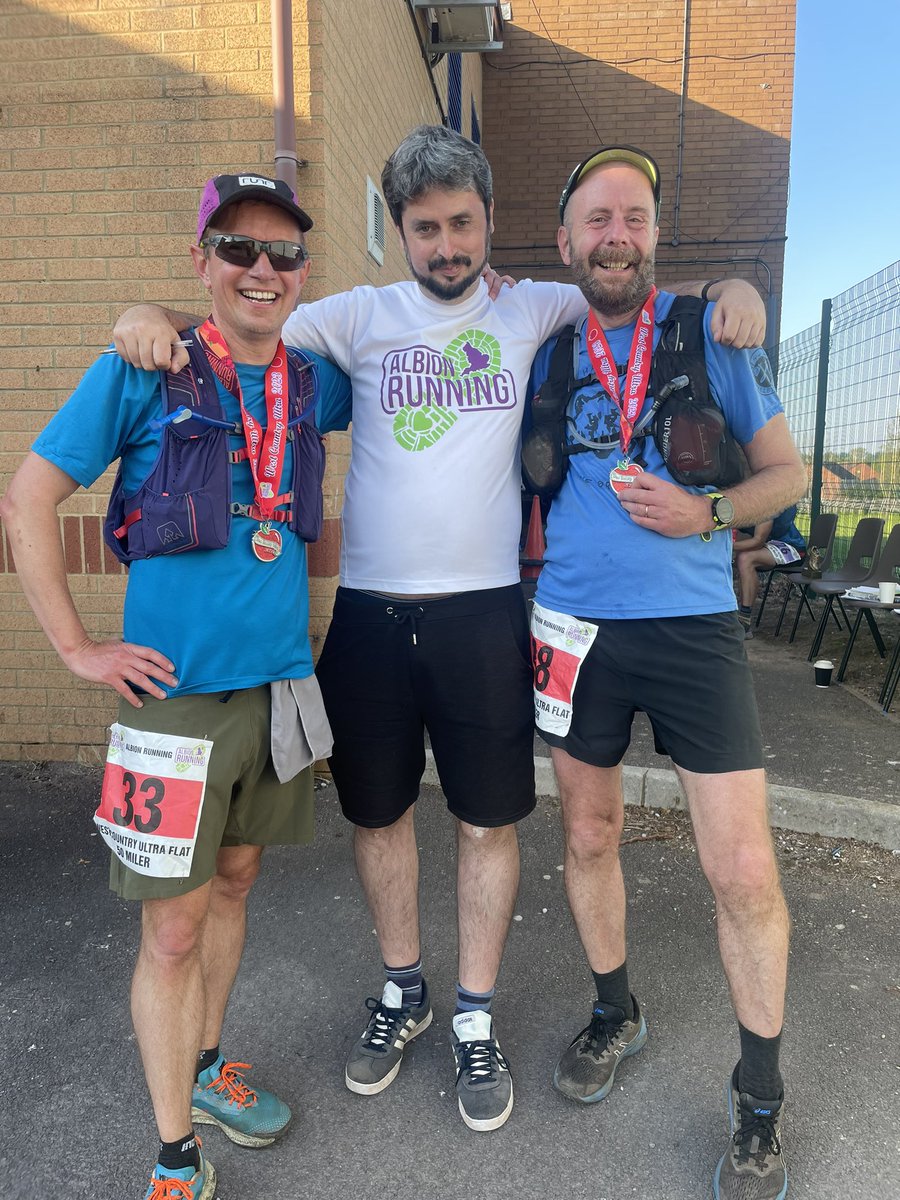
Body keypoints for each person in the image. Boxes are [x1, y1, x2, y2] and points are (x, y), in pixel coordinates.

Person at [110, 125, 766, 1134]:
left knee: (486, 821)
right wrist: (146, 315)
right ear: (401, 230)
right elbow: (242, 324)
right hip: (371, 616)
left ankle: (474, 1014)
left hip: (483, 614)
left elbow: (626, 281)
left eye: (463, 224)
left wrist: (731, 288)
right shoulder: (357, 316)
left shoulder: (535, 304)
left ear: (491, 221)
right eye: (426, 228)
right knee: (378, 818)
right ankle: (403, 988)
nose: (448, 245)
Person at [0, 174, 350, 1200]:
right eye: (238, 248)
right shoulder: (142, 368)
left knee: (235, 886)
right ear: (202, 261)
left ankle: (204, 1069)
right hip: (174, 706)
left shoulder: (314, 382)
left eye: (284, 253)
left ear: (302, 273)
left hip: (278, 691)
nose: (262, 269)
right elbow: (28, 499)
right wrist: (76, 650)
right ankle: (174, 1158)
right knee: (172, 930)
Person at [527, 146, 805, 1199]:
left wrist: (710, 512)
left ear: (655, 234)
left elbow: (784, 473)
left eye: (634, 217)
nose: (616, 236)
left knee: (743, 872)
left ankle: (760, 1099)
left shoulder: (709, 333)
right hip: (574, 632)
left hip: (693, 634)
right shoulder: (549, 355)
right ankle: (616, 1012)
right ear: (566, 241)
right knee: (588, 834)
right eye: (597, 219)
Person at [733, 507, 807, 636]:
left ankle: (744, 621)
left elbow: (757, 541)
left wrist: (726, 545)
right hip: (766, 545)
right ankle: (733, 614)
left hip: (790, 546)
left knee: (745, 559)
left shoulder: (765, 505)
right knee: (741, 559)